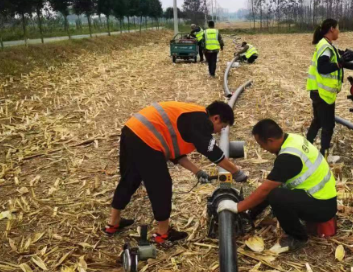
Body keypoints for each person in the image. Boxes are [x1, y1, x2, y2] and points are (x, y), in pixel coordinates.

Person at [106, 100, 248, 244]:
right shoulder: (201, 121)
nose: (219, 131)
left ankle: (113, 222)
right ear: (215, 118)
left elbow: (177, 154)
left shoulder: (190, 119)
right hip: (147, 138)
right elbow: (214, 154)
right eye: (221, 126)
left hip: (132, 130)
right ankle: (163, 233)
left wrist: (198, 171)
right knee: (161, 185)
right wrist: (237, 172)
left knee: (130, 178)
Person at [217, 119, 337, 253]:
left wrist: (237, 207)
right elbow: (268, 187)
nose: (263, 149)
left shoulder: (288, 158)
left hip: (323, 206)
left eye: (261, 144)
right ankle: (250, 216)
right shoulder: (293, 139)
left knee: (276, 196)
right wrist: (250, 213)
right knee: (274, 191)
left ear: (270, 140)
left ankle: (297, 238)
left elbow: (266, 190)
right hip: (322, 196)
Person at [305, 18, 346, 157]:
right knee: (328, 125)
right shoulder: (326, 47)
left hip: (316, 90)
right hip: (323, 93)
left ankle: (305, 147)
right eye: (338, 28)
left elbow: (339, 55)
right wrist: (338, 64)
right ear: (332, 29)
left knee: (318, 121)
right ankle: (324, 154)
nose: (339, 31)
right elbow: (323, 67)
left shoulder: (326, 45)